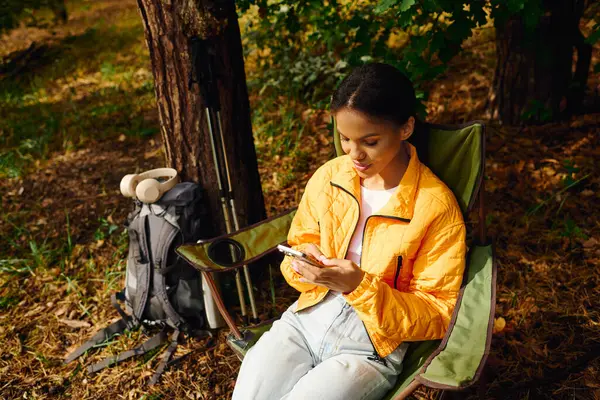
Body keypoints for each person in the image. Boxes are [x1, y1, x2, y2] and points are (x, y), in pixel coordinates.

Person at [232, 62, 467, 400]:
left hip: (369, 346)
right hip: (303, 323)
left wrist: (359, 287)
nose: (354, 154)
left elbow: (438, 312)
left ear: (406, 128)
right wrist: (304, 266)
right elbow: (301, 243)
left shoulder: (435, 207)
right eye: (344, 138)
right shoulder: (329, 177)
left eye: (370, 141)